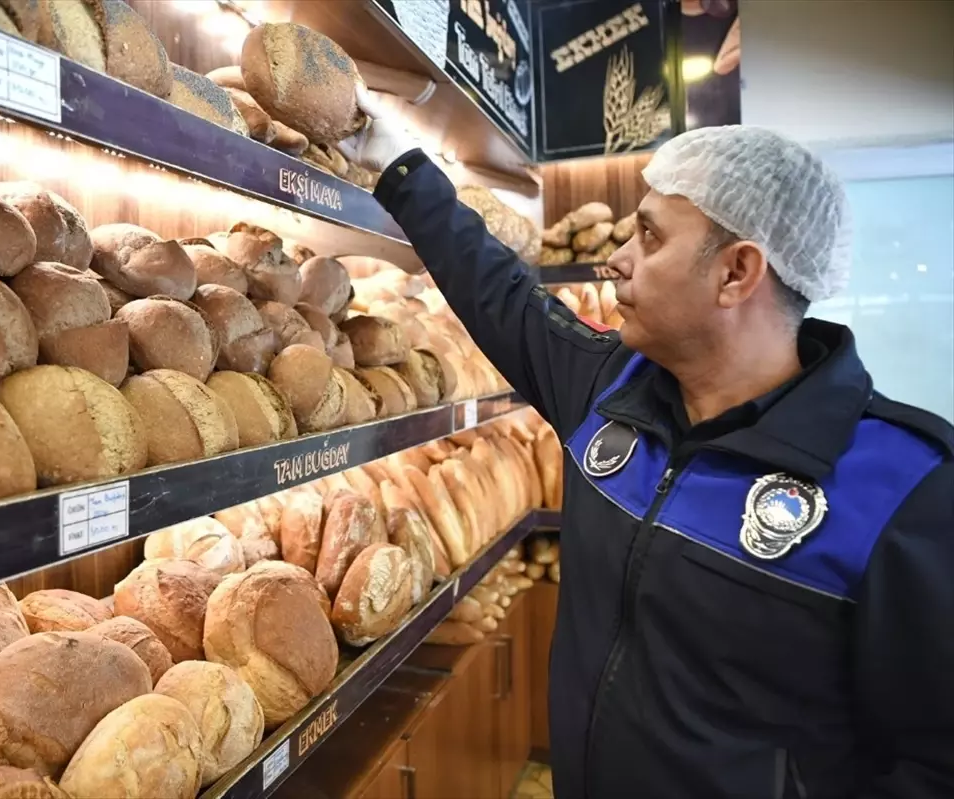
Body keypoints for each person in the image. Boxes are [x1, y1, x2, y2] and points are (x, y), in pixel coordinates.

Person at [341, 89, 954, 798]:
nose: (618, 260)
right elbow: (501, 294)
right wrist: (398, 166)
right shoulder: (612, 392)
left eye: (651, 237)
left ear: (737, 272)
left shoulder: (902, 490)